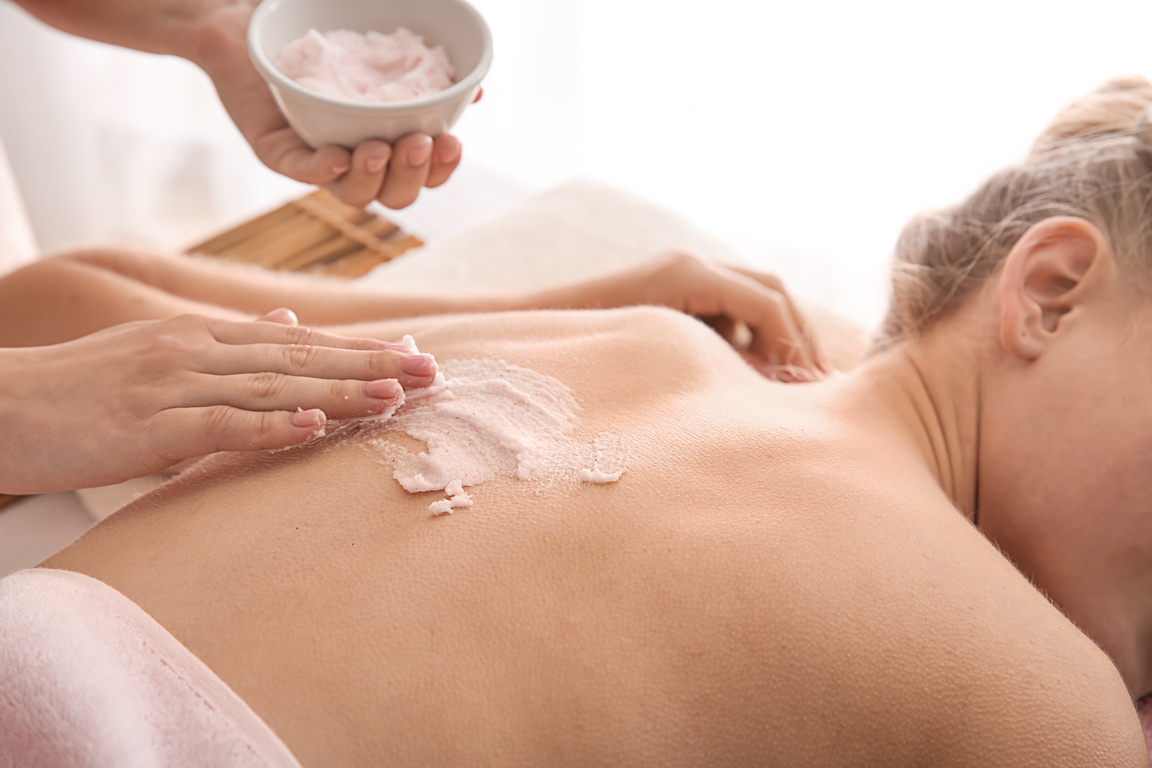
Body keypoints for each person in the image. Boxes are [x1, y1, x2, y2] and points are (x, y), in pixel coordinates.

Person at [6, 76, 1152, 765]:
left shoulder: (631, 344)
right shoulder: (1047, 701)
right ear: (1047, 291)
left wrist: (543, 313)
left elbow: (51, 304)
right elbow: (60, 319)